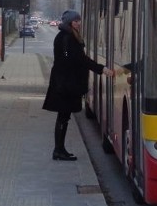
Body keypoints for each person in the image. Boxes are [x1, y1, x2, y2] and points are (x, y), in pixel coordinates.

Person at [42, 10, 115, 161]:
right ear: (69, 22)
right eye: (76, 21)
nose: (79, 24)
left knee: (64, 116)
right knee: (63, 116)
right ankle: (58, 150)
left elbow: (76, 59)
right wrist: (102, 69)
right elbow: (79, 60)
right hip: (65, 84)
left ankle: (60, 149)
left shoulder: (68, 37)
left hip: (64, 82)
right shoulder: (67, 38)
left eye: (79, 21)